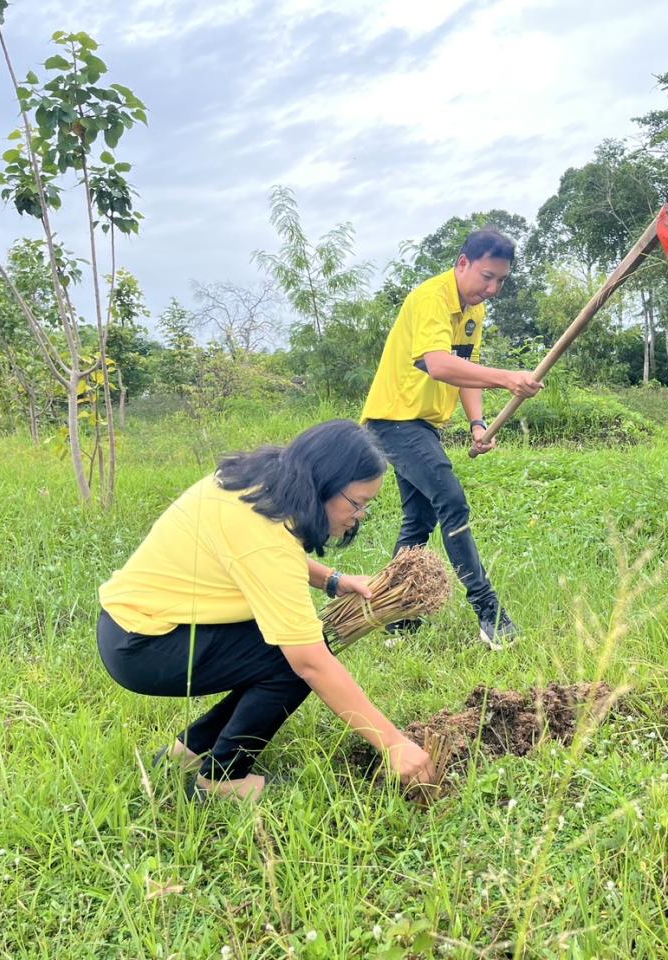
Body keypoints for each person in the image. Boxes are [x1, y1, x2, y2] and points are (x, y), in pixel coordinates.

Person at [96, 419, 438, 802]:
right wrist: (393, 744)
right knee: (291, 661)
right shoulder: (265, 536)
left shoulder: (261, 483)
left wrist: (331, 580)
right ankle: (222, 779)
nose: (358, 516)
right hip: (146, 646)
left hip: (134, 625)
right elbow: (310, 662)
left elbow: (248, 555)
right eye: (358, 503)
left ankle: (185, 754)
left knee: (277, 651)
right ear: (325, 482)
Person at [361, 229, 542, 647]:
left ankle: (396, 620)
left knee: (419, 521)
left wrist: (478, 424)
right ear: (462, 264)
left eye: (501, 281)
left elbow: (466, 371)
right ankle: (490, 613)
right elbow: (440, 366)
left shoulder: (473, 311)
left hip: (422, 424)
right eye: (486, 276)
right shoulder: (431, 299)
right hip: (394, 419)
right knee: (452, 503)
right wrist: (508, 379)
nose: (492, 288)